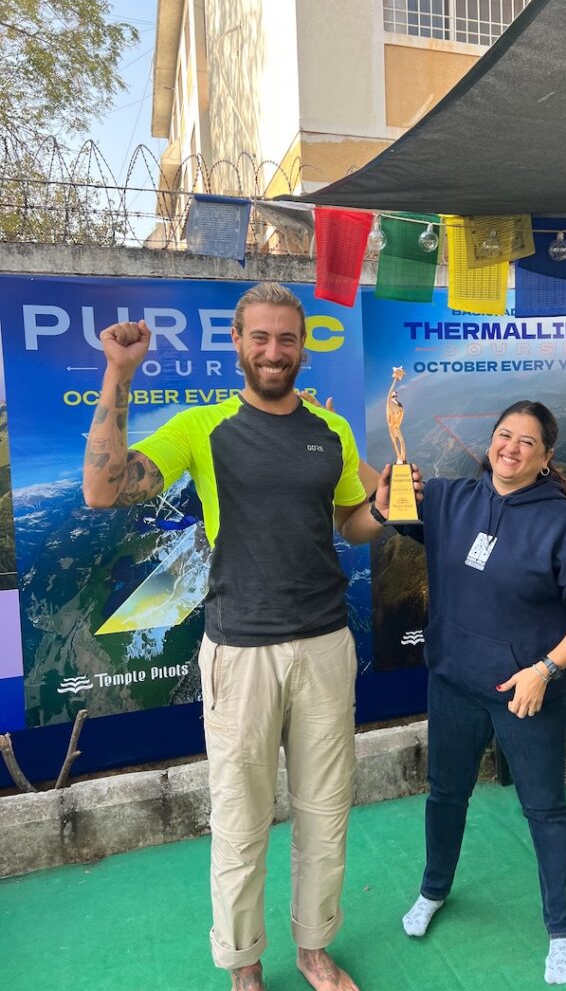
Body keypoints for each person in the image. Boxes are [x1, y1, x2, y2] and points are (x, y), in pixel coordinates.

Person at [82, 282, 411, 991]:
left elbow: (350, 523)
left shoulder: (331, 429)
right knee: (239, 821)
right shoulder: (202, 427)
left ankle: (314, 948)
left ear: (302, 346)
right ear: (237, 343)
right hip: (239, 651)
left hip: (325, 645)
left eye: (286, 338)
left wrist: (382, 510)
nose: (273, 351)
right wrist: (118, 373)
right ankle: (243, 963)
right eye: (259, 337)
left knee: (326, 813)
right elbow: (103, 490)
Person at [397, 400, 566, 985]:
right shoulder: (450, 499)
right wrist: (344, 440)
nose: (511, 448)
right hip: (453, 683)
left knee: (544, 810)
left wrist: (545, 669)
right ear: (490, 441)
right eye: (504, 435)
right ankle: (433, 890)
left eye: (527, 441)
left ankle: (562, 930)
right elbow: (387, 502)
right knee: (446, 795)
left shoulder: (561, 523)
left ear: (546, 457)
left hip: (529, 693)